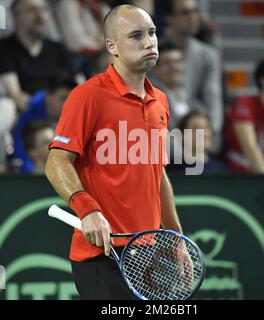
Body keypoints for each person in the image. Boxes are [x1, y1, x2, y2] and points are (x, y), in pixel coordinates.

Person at [45, 4, 184, 300]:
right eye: (136, 36)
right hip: (103, 254)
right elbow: (56, 161)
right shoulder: (88, 95)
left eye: (152, 33)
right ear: (112, 46)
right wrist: (88, 210)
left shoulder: (160, 100)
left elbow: (157, 174)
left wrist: (175, 237)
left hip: (149, 251)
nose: (149, 42)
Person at [163, 0, 223, 147]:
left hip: (199, 137)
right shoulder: (151, 52)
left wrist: (209, 135)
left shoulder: (209, 55)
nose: (192, 17)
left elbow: (213, 100)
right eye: (185, 13)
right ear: (170, 18)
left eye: (195, 11)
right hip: (163, 138)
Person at [0, 0, 74, 111]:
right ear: (16, 17)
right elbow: (15, 94)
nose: (40, 15)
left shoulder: (58, 48)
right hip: (30, 112)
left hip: (65, 109)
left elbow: (75, 85)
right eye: (31, 10)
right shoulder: (4, 49)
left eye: (43, 10)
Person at [13, 75, 77, 173]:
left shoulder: (75, 119)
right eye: (63, 98)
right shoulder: (29, 114)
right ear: (48, 96)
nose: (68, 105)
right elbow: (21, 152)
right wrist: (33, 177)